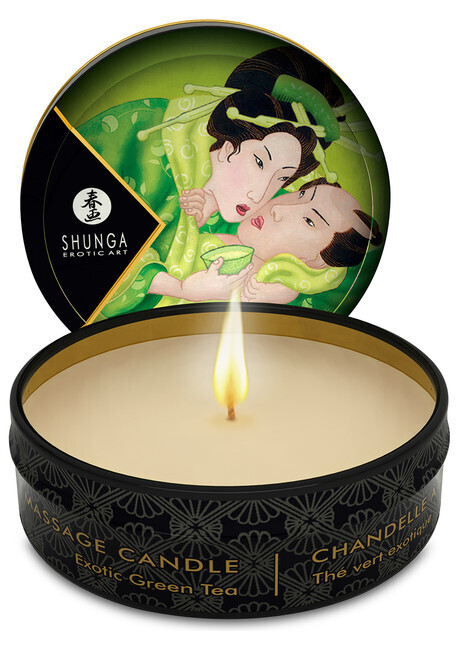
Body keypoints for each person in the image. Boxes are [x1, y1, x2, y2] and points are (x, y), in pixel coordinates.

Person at [146, 178, 382, 305]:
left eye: (309, 221)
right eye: (301, 195)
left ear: (319, 260)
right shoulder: (220, 219)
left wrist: (182, 290)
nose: (278, 208)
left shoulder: (266, 288)